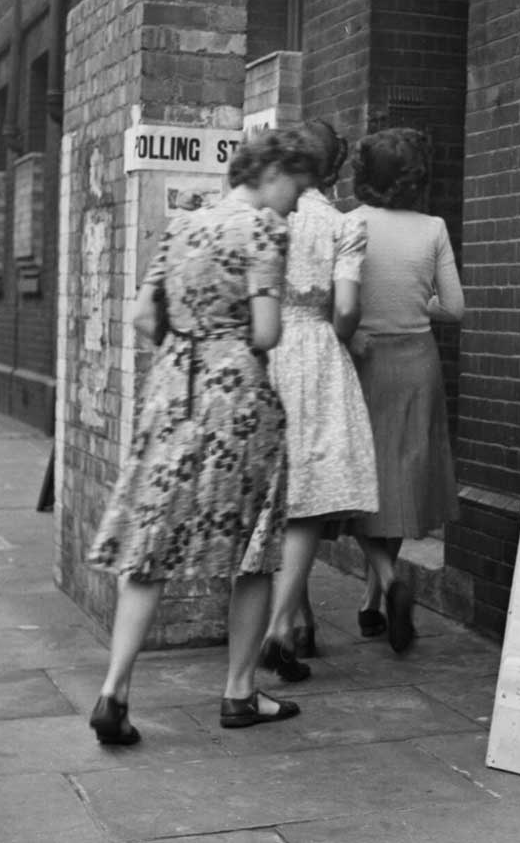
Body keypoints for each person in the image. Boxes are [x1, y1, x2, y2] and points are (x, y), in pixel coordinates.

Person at [85, 128, 321, 744]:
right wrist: (228, 340)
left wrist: (184, 348)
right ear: (271, 174)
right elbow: (267, 332)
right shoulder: (264, 229)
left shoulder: (184, 224)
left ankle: (114, 690)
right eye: (297, 184)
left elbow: (141, 315)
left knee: (152, 539)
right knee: (256, 543)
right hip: (236, 395)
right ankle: (240, 692)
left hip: (171, 389)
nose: (297, 200)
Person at [257, 120, 378, 683]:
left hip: (265, 349)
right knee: (309, 494)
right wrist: (338, 329)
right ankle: (283, 624)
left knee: (270, 491)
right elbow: (348, 308)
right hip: (317, 351)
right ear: (332, 168)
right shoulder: (343, 224)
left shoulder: (261, 214)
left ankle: (284, 621)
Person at [346, 128, 464, 655]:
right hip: (417, 361)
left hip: (363, 360)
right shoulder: (434, 228)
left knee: (360, 486)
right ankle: (373, 602)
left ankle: (388, 581)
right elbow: (455, 308)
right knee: (398, 481)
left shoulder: (349, 225)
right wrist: (419, 305)